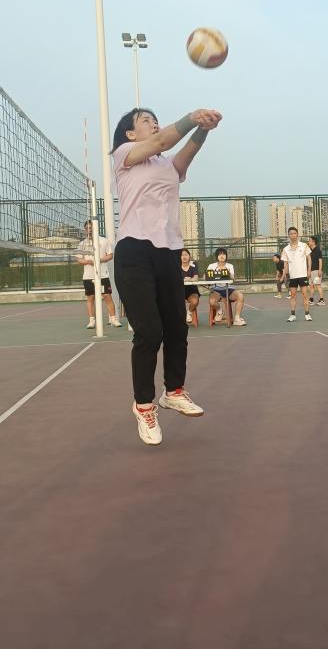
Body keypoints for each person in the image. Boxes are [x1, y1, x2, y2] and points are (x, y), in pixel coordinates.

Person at [112, 106, 220, 445]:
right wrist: (191, 117)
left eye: (155, 119)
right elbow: (161, 141)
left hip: (169, 251)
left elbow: (186, 154)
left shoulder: (167, 165)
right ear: (130, 133)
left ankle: (173, 391)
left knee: (177, 327)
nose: (154, 123)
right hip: (134, 251)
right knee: (149, 332)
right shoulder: (125, 155)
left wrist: (203, 129)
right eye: (146, 120)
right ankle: (144, 406)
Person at [77, 220, 121, 329]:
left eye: (91, 228)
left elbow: (110, 255)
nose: (89, 230)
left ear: (95, 228)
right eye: (87, 228)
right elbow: (79, 259)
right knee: (90, 297)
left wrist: (98, 260)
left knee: (107, 296)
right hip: (88, 276)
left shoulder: (104, 241)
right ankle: (92, 321)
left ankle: (113, 319)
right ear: (85, 230)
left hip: (102, 275)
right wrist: (87, 261)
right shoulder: (82, 244)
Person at [206, 247, 246, 327]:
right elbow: (206, 277)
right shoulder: (211, 266)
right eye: (220, 254)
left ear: (226, 256)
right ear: (217, 256)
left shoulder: (230, 266)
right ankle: (219, 311)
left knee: (240, 296)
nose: (222, 256)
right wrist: (207, 276)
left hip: (229, 289)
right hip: (216, 290)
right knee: (212, 301)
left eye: (224, 254)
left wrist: (227, 273)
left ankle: (237, 318)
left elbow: (232, 277)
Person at [281, 227, 312, 322]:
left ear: (297, 234)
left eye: (294, 233)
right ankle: (293, 315)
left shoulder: (304, 245)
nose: (293, 235)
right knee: (293, 295)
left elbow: (309, 258)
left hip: (303, 275)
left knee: (305, 295)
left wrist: (309, 271)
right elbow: (285, 263)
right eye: (291, 233)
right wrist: (286, 274)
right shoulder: (286, 249)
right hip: (292, 276)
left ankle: (307, 314)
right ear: (288, 235)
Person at [182, 248, 200, 324]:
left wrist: (189, 279)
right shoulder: (176, 266)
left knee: (195, 301)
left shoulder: (194, 264)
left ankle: (189, 312)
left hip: (192, 291)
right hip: (180, 291)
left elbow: (196, 278)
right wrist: (183, 280)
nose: (184, 257)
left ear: (189, 256)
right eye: (182, 255)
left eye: (186, 255)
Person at [307, 235, 326, 306]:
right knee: (311, 286)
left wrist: (320, 270)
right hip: (311, 271)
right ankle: (311, 300)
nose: (308, 242)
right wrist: (309, 271)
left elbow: (320, 260)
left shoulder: (317, 250)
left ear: (313, 242)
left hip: (316, 271)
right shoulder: (310, 250)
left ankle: (322, 300)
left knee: (318, 285)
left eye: (309, 240)